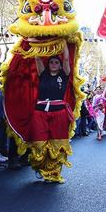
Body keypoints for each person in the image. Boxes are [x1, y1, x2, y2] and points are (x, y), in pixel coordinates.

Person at [32, 47, 72, 183]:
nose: (53, 64)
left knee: (57, 143)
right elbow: (37, 57)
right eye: (51, 62)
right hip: (40, 112)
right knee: (39, 142)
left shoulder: (64, 74)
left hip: (59, 112)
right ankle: (42, 168)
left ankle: (54, 172)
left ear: (60, 66)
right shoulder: (42, 73)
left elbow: (66, 58)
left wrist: (64, 42)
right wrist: (36, 40)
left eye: (56, 62)